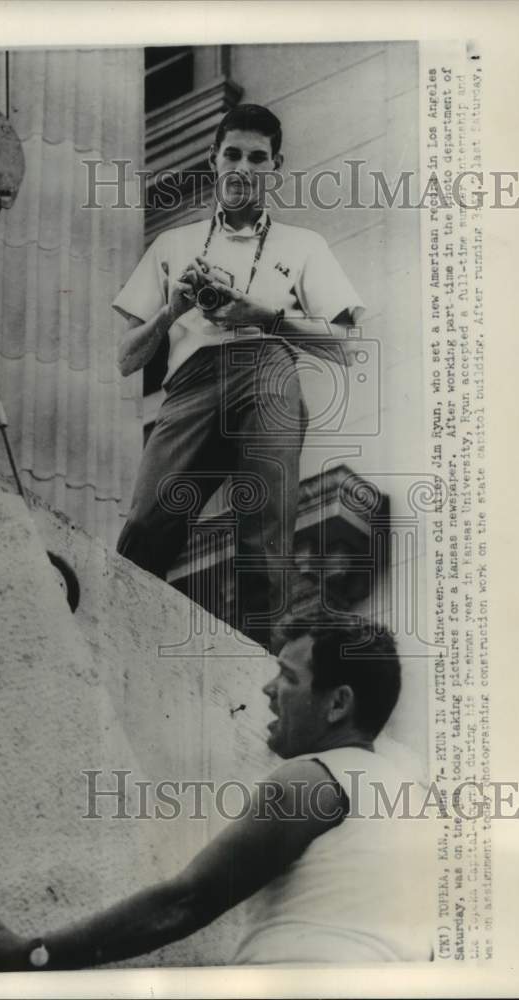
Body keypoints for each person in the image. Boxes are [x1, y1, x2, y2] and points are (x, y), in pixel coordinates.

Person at [0, 623, 432, 971]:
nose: (267, 689)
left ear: (338, 704)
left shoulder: (312, 778)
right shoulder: (409, 809)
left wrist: (34, 955)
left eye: (287, 675)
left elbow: (186, 901)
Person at [112, 104, 365, 651]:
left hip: (267, 364)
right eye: (232, 154)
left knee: (264, 535)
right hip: (191, 382)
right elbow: (127, 359)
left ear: (275, 168)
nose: (242, 168)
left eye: (257, 158)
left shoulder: (303, 245)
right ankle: (116, 643)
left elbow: (347, 346)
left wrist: (263, 315)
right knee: (145, 524)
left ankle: (259, 666)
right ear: (213, 159)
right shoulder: (173, 245)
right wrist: (172, 310)